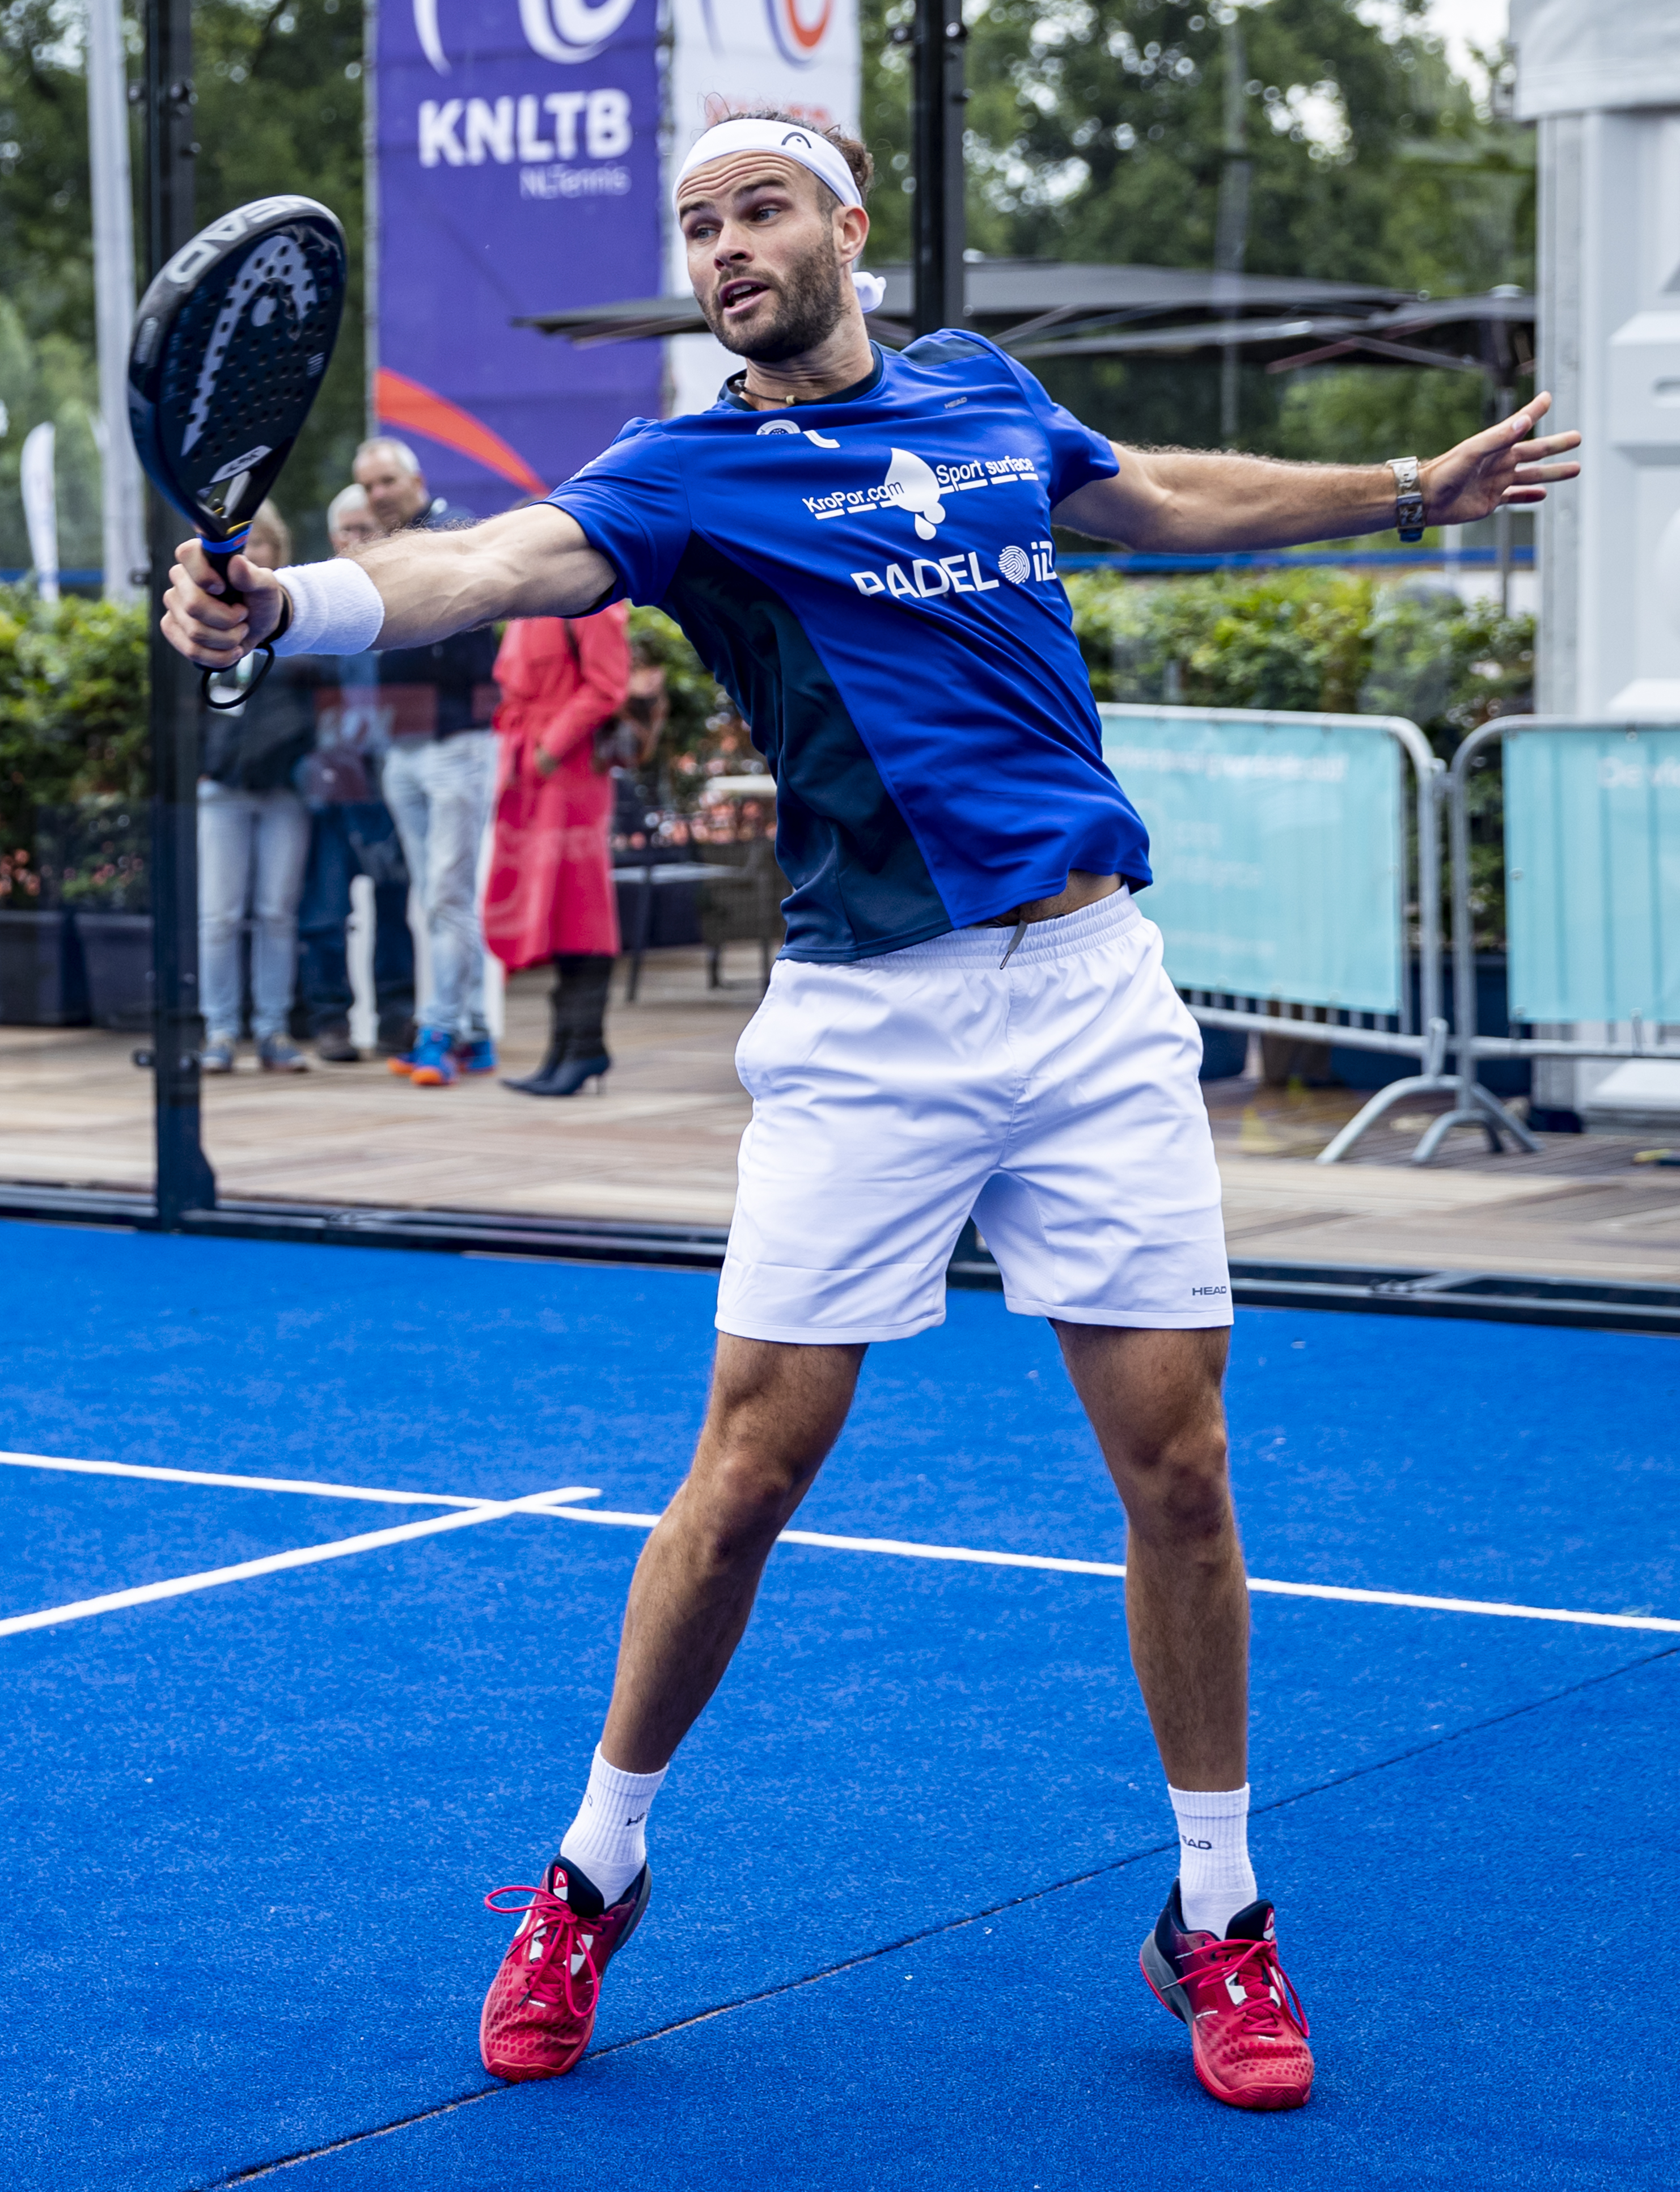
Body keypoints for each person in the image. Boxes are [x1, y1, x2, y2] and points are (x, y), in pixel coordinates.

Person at [162, 112, 1581, 2110]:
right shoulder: (687, 470)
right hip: (870, 1027)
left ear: (845, 227)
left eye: (756, 212)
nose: (725, 247)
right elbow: (485, 561)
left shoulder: (986, 395)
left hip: (1094, 993)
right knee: (749, 1468)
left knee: (1180, 1469)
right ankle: (595, 1865)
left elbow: (1158, 488)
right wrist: (281, 601)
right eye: (697, 227)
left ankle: (1221, 1909)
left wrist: (1406, 480)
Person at [360, 435, 501, 1087]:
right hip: (403, 744)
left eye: (386, 481)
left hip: (457, 742)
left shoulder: (451, 532)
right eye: (367, 486)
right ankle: (472, 1028)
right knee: (436, 895)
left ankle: (437, 1031)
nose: (377, 494)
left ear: (413, 479)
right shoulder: (379, 549)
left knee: (446, 892)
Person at [485, 603, 629, 1098]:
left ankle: (584, 1044)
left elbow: (608, 685)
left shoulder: (594, 606)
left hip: (570, 772)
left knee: (580, 908)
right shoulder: (528, 605)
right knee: (549, 907)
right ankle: (568, 1046)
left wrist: (550, 747)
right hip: (531, 770)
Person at [290, 485, 414, 1061]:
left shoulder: (411, 598)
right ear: (333, 537)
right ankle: (329, 1018)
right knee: (324, 907)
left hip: (388, 774)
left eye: (369, 529)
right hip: (331, 783)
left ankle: (396, 1017)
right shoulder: (313, 601)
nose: (359, 540)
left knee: (393, 904)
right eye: (349, 530)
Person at [197, 501, 314, 1075]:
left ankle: (272, 1028)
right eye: (244, 545)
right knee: (218, 913)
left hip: (283, 789)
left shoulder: (299, 620)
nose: (253, 554)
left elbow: (320, 703)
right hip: (220, 786)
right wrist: (198, 761)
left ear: (279, 551)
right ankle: (219, 1029)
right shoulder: (201, 617)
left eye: (263, 543)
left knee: (275, 912)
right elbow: (181, 702)